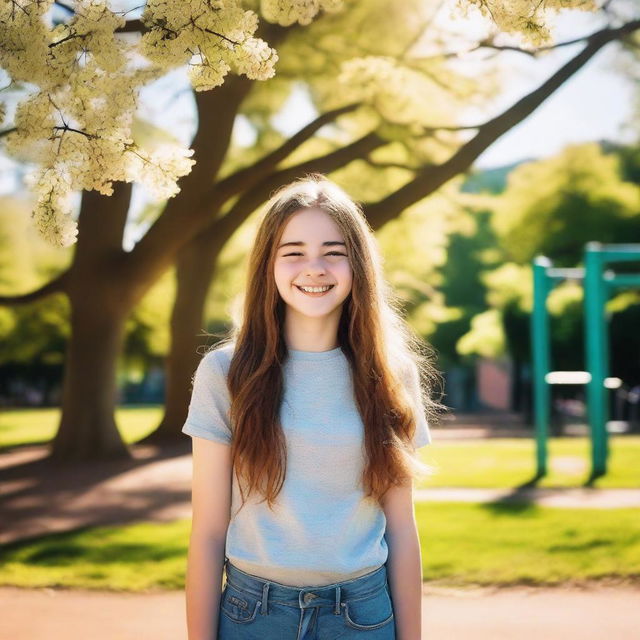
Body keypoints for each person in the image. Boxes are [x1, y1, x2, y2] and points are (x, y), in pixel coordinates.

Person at [182, 174, 444, 640]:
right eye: (294, 252)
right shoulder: (224, 373)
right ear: (268, 264)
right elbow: (207, 533)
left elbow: (402, 528)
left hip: (363, 616)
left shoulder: (391, 374)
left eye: (334, 252)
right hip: (252, 615)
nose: (315, 267)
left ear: (358, 265)